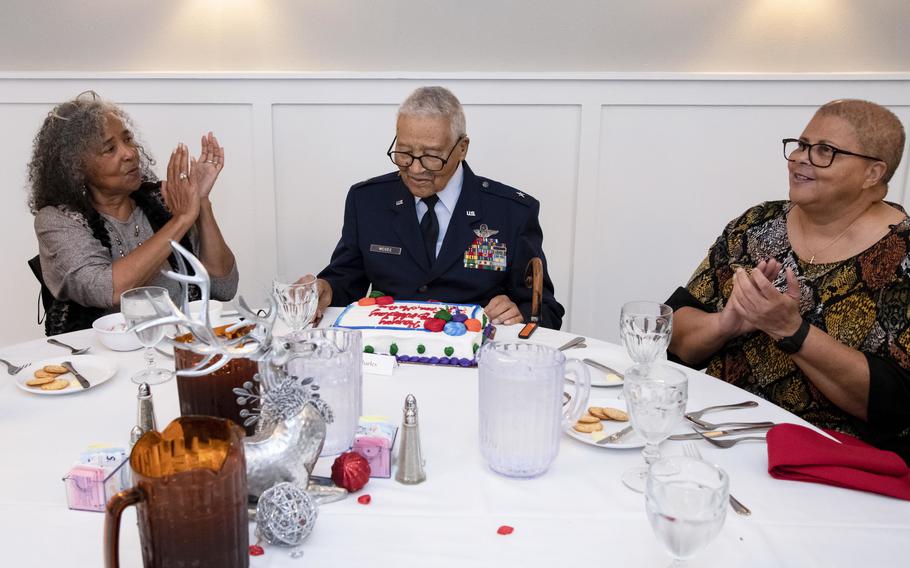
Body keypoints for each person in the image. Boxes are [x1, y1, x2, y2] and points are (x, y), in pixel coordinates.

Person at [667, 99, 910, 463]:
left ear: (872, 174)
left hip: (828, 464)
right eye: (800, 145)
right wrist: (725, 324)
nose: (799, 158)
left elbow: (897, 405)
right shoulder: (756, 225)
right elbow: (672, 338)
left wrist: (792, 331)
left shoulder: (901, 257)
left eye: (825, 150)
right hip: (714, 436)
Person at [309, 86, 564, 328]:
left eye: (431, 156)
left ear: (462, 148)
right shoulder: (367, 201)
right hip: (388, 353)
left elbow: (545, 310)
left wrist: (517, 313)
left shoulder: (512, 212)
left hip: (474, 358)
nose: (416, 169)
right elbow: (345, 281)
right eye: (404, 153)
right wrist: (325, 289)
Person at [28, 91, 238, 335]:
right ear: (76, 167)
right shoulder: (57, 219)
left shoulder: (165, 198)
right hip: (100, 360)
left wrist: (201, 202)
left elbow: (224, 287)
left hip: (179, 345)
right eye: (110, 149)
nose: (129, 153)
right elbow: (107, 289)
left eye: (128, 140)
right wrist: (181, 220)